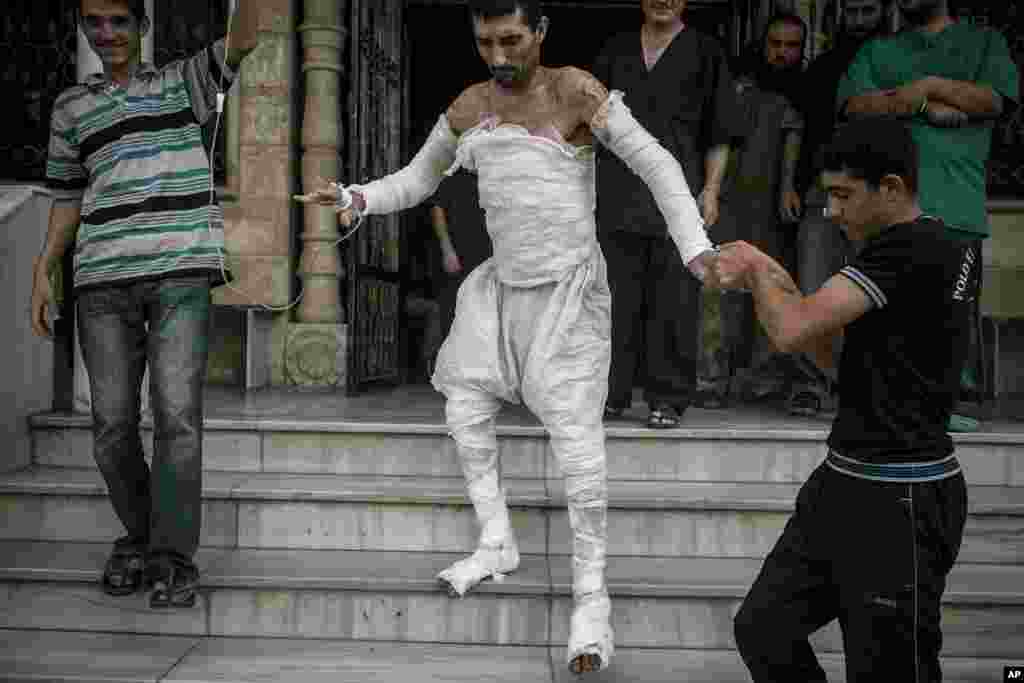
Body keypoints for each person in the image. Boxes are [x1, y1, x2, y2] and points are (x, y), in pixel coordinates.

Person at [295, 0, 716, 672]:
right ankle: (497, 539)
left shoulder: (576, 90)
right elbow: (416, 179)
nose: (499, 56)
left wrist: (695, 250)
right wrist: (357, 197)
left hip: (569, 295)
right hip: (502, 291)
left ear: (541, 34)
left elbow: (659, 164)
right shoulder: (467, 105)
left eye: (512, 40)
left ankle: (590, 599)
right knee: (463, 404)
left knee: (579, 454)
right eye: (486, 41)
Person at [719, 119, 974, 682]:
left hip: (901, 496)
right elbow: (835, 356)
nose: (831, 211)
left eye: (841, 195)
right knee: (764, 626)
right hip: (842, 484)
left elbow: (790, 333)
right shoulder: (913, 249)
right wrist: (781, 285)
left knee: (886, 671)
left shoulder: (912, 247)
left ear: (890, 188)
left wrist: (759, 271)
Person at [30, 0, 261, 608]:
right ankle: (139, 536)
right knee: (110, 427)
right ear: (83, 26)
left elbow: (244, 37)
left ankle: (171, 558)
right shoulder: (71, 107)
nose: (107, 34)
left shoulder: (184, 81)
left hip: (180, 273)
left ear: (143, 25)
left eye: (120, 21)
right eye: (94, 23)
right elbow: (65, 196)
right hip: (102, 279)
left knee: (177, 418)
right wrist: (44, 267)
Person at [837, 0, 1019, 431]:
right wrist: (922, 103)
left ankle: (947, 404)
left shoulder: (984, 44)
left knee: (950, 318)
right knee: (883, 315)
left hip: (957, 207)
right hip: (886, 211)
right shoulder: (877, 52)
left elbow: (993, 99)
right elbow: (854, 107)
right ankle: (883, 404)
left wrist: (926, 84)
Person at [591, 0, 743, 427]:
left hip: (679, 197)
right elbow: (587, 124)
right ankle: (608, 394)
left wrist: (711, 189)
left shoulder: (705, 52)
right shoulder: (615, 51)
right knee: (611, 298)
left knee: (674, 300)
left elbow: (720, 130)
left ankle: (667, 398)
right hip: (616, 193)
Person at [786, 0, 892, 416]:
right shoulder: (823, 68)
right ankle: (813, 383)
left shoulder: (892, 62)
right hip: (820, 190)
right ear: (839, 15)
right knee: (814, 286)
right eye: (855, 11)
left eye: (870, 10)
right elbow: (803, 132)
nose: (862, 20)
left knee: (874, 292)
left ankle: (868, 387)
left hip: (877, 194)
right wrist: (793, 185)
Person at [700, 12, 807, 408]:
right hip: (729, 200)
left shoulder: (804, 89)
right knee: (717, 289)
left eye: (791, 46)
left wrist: (787, 190)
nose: (782, 53)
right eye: (775, 45)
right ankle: (710, 380)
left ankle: (765, 379)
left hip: (775, 209)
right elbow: (717, 138)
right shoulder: (738, 86)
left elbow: (793, 138)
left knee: (772, 289)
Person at [429, 167, 491, 343]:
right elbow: (437, 208)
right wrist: (447, 249)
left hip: (487, 262)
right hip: (458, 261)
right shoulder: (454, 175)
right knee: (454, 319)